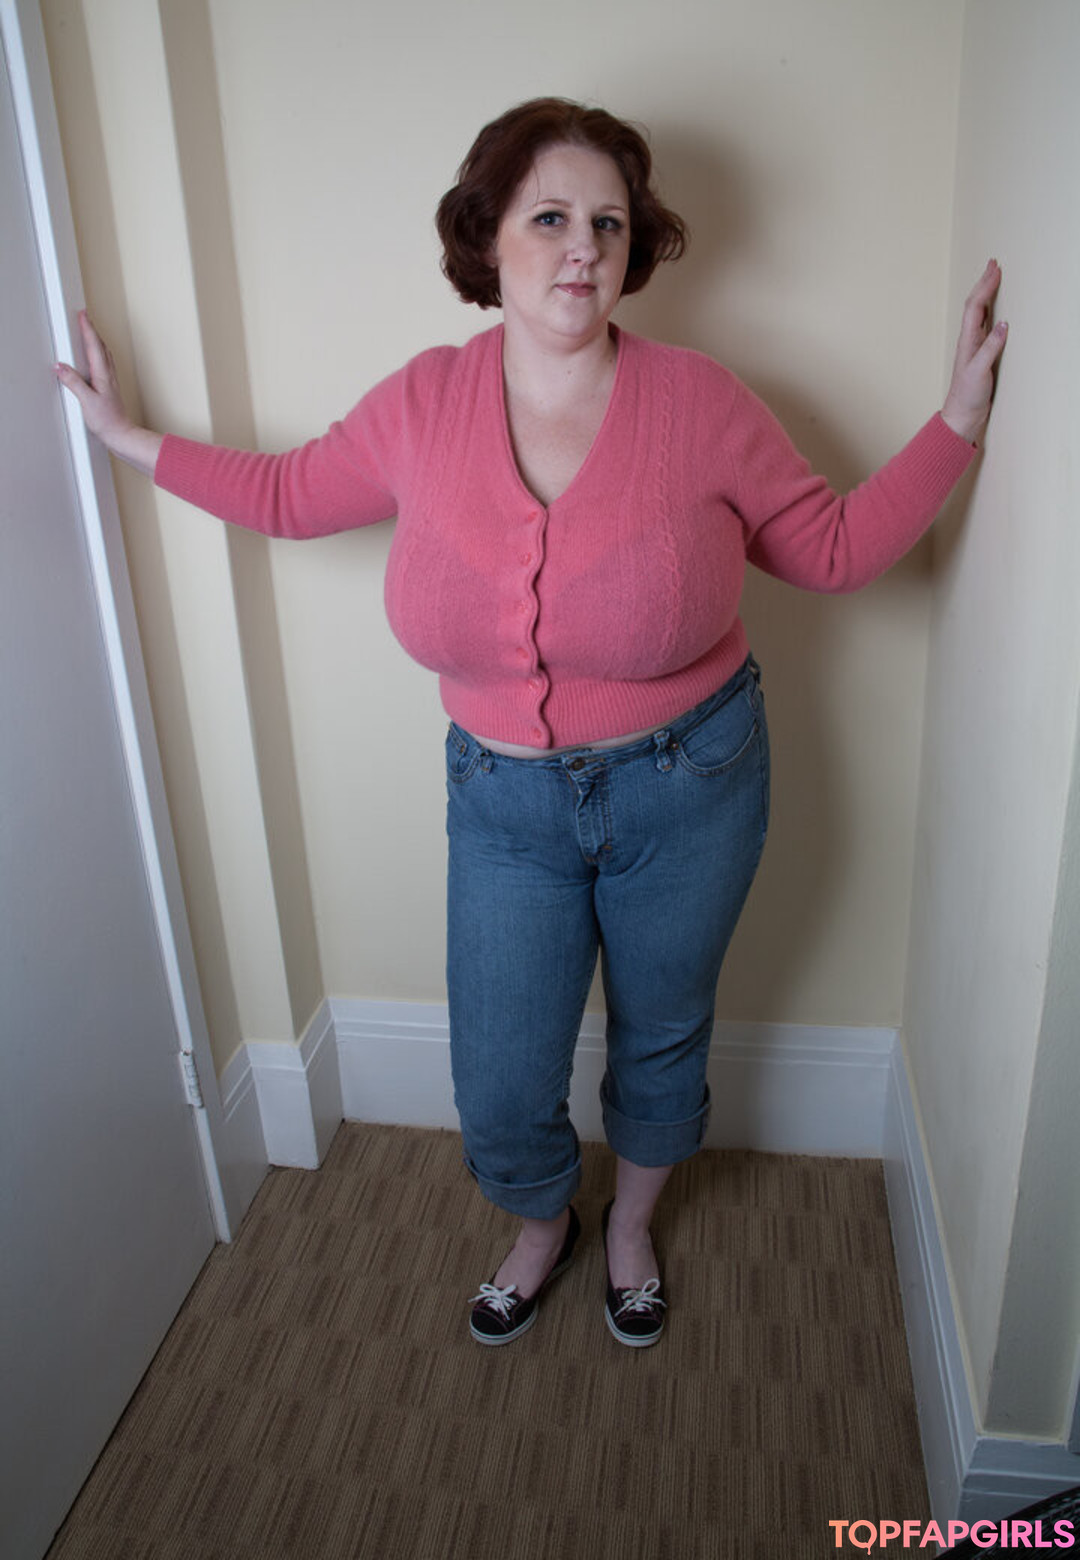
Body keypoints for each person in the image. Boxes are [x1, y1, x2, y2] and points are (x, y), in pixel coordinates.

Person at [57, 97, 1006, 1349]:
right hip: (503, 805)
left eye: (608, 223)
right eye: (550, 217)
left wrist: (957, 426)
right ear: (487, 237)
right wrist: (126, 439)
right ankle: (542, 1219)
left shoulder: (702, 402)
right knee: (503, 1074)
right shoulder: (422, 403)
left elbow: (827, 550)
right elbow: (288, 494)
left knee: (664, 1031)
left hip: (693, 782)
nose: (582, 248)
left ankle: (631, 1228)